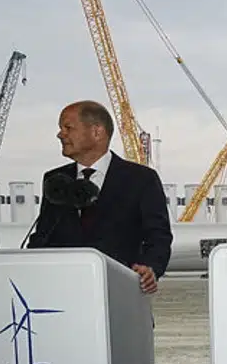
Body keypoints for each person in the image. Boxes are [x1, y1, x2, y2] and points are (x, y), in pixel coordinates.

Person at [27, 100, 171, 294]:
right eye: (60, 128)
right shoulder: (55, 181)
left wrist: (150, 269)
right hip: (61, 296)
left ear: (97, 132)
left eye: (68, 127)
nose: (60, 134)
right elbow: (42, 237)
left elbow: (158, 237)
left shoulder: (141, 179)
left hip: (122, 296)